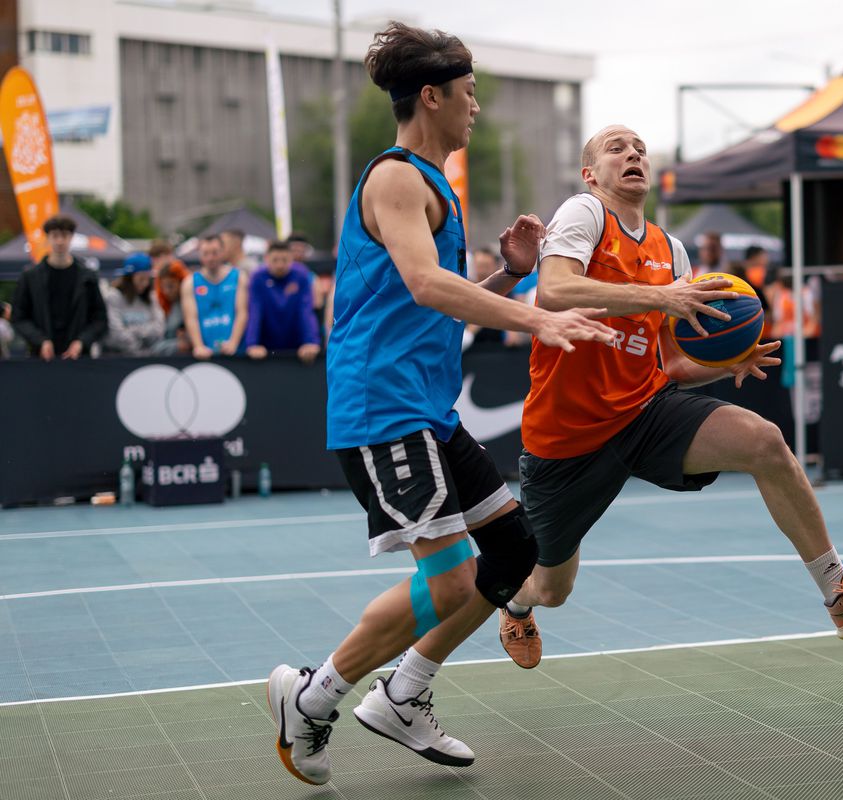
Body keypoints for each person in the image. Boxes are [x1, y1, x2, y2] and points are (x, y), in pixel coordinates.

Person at [266, 22, 615, 787]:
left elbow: (430, 308)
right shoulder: (395, 179)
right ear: (431, 96)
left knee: (514, 554)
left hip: (426, 412)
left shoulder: (435, 192)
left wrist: (508, 280)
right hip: (382, 411)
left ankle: (405, 694)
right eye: (468, 94)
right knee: (453, 579)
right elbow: (427, 285)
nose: (476, 109)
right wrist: (539, 315)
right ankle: (314, 697)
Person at [490, 124, 843, 668]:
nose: (633, 155)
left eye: (641, 150)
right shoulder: (584, 213)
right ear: (590, 173)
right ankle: (515, 602)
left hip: (643, 412)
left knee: (765, 441)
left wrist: (724, 362)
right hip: (566, 440)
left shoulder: (670, 251)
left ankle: (841, 593)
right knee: (552, 589)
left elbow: (671, 364)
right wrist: (659, 296)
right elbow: (553, 292)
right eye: (617, 149)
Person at [11, 215, 107, 361]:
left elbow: (100, 319)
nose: (60, 241)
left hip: (79, 358)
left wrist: (82, 341)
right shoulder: (30, 276)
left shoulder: (87, 277)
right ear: (47, 238)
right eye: (55, 236)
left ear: (71, 237)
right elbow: (19, 317)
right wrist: (40, 340)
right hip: (40, 358)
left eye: (64, 236)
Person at [245, 241, 322, 363]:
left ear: (291, 259)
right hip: (265, 348)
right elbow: (255, 311)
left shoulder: (301, 275)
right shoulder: (257, 278)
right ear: (266, 259)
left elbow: (305, 310)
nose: (280, 265)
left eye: (284, 260)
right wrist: (252, 344)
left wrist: (311, 342)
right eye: (275, 260)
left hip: (297, 347)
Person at [180, 234, 248, 359]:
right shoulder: (190, 282)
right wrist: (198, 346)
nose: (210, 258)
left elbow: (242, 312)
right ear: (199, 254)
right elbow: (191, 318)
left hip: (235, 351)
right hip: (205, 352)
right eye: (205, 253)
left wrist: (233, 342)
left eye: (215, 253)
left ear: (223, 252)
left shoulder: (238, 277)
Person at [101, 253, 165, 356]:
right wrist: (141, 341)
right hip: (116, 358)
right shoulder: (113, 297)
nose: (145, 283)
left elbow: (159, 329)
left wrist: (133, 331)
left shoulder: (151, 297)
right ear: (129, 278)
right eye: (141, 279)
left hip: (146, 356)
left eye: (147, 279)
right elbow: (116, 334)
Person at [151, 261, 190, 356]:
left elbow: (185, 344)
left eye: (171, 286)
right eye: (163, 286)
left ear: (182, 282)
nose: (166, 291)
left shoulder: (188, 306)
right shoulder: (161, 304)